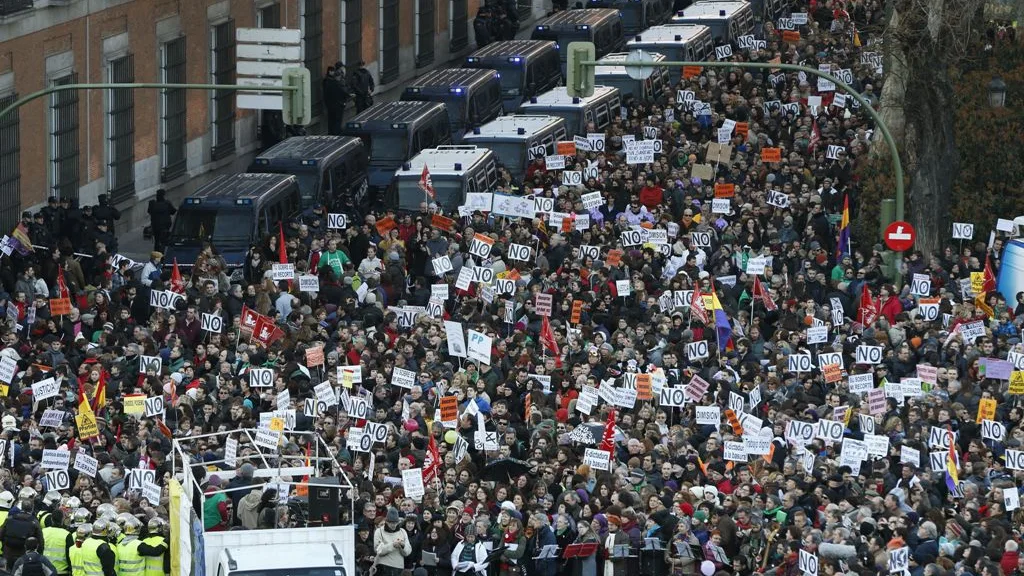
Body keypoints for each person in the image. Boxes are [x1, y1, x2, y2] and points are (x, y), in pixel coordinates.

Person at [374, 509, 411, 576]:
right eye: (391, 523)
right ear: (386, 521)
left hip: (399, 567)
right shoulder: (379, 531)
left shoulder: (402, 532)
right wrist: (393, 545)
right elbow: (378, 550)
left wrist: (402, 545)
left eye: (395, 522)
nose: (393, 525)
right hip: (383, 567)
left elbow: (408, 552)